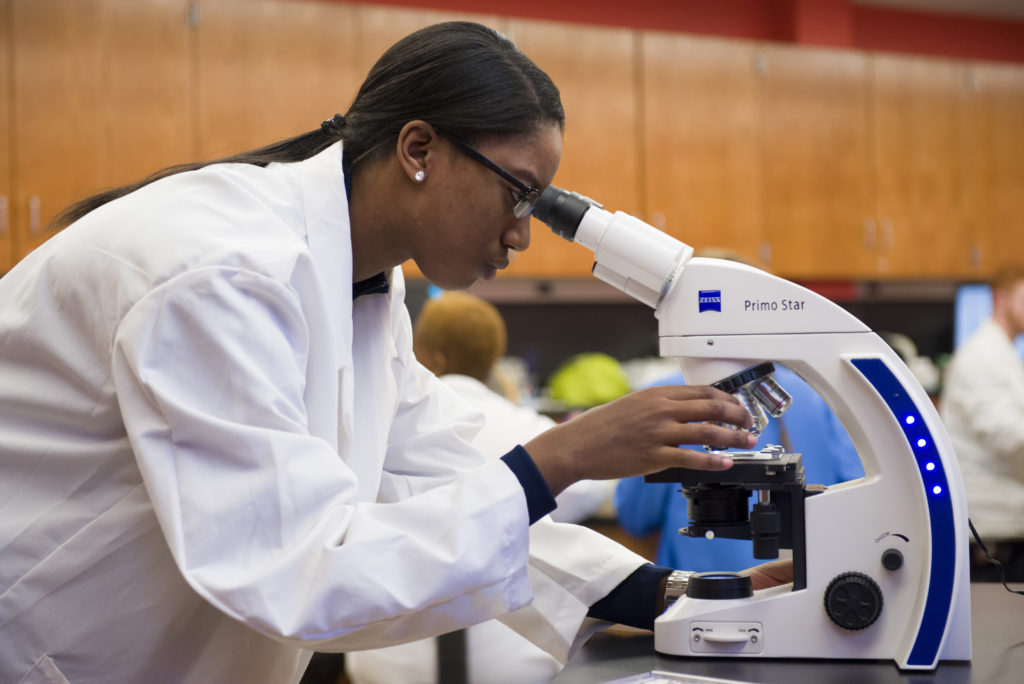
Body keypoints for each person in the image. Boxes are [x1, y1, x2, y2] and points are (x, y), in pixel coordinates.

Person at [0, 22, 785, 684]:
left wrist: (668, 592)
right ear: (419, 148)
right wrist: (566, 454)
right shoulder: (220, 272)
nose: (520, 234)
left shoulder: (364, 291)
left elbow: (434, 475)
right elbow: (295, 561)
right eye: (517, 194)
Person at [348, 290, 611, 683]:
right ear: (494, 363)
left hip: (385, 665)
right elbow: (598, 494)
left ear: (429, 357)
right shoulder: (531, 432)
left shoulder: (373, 435)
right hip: (514, 668)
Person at [615, 365, 865, 571]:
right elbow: (855, 497)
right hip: (804, 580)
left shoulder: (663, 400)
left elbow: (636, 518)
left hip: (702, 596)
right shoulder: (818, 396)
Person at [940, 266, 1024, 582]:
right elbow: (1009, 437)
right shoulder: (981, 356)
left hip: (1008, 517)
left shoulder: (1003, 354)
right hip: (993, 531)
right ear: (1001, 300)